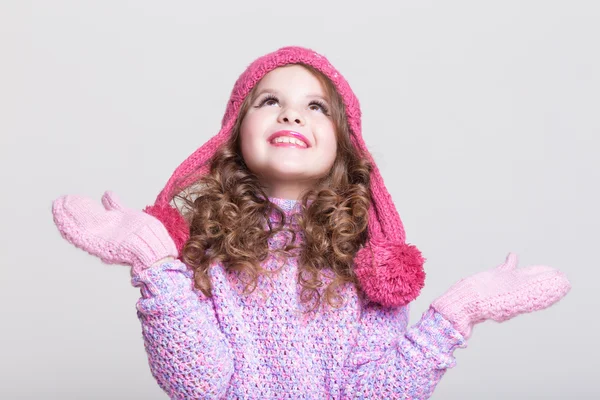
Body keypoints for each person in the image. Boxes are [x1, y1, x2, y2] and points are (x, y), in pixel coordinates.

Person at [51, 46, 571, 399]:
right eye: (269, 100)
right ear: (234, 133)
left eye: (316, 106)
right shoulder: (202, 250)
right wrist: (156, 259)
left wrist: (460, 310)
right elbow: (199, 385)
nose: (291, 115)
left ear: (344, 144)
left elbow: (373, 393)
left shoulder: (367, 261)